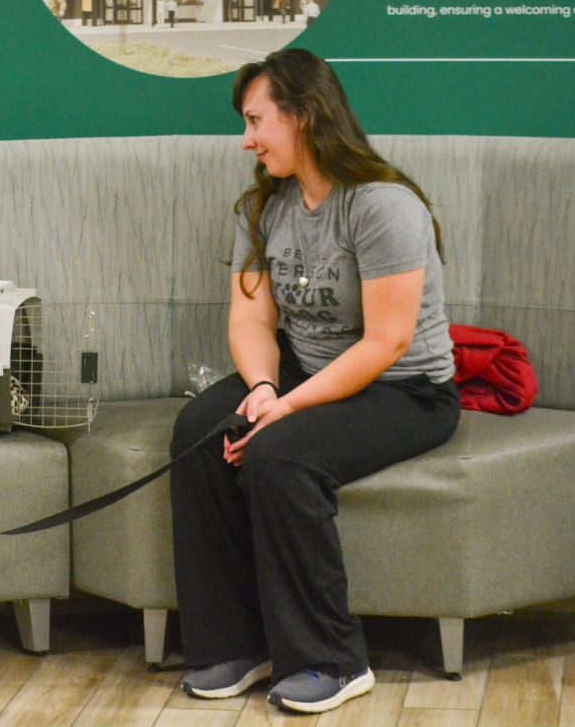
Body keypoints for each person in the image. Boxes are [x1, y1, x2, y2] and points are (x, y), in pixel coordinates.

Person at [168, 48, 459, 714]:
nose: (246, 139)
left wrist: (287, 409)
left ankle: (333, 660)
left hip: (406, 389)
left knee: (280, 455)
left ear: (303, 115)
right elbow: (249, 319)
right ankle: (236, 645)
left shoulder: (384, 205)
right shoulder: (268, 206)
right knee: (198, 430)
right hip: (302, 372)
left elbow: (386, 343)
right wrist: (265, 390)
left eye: (255, 119)